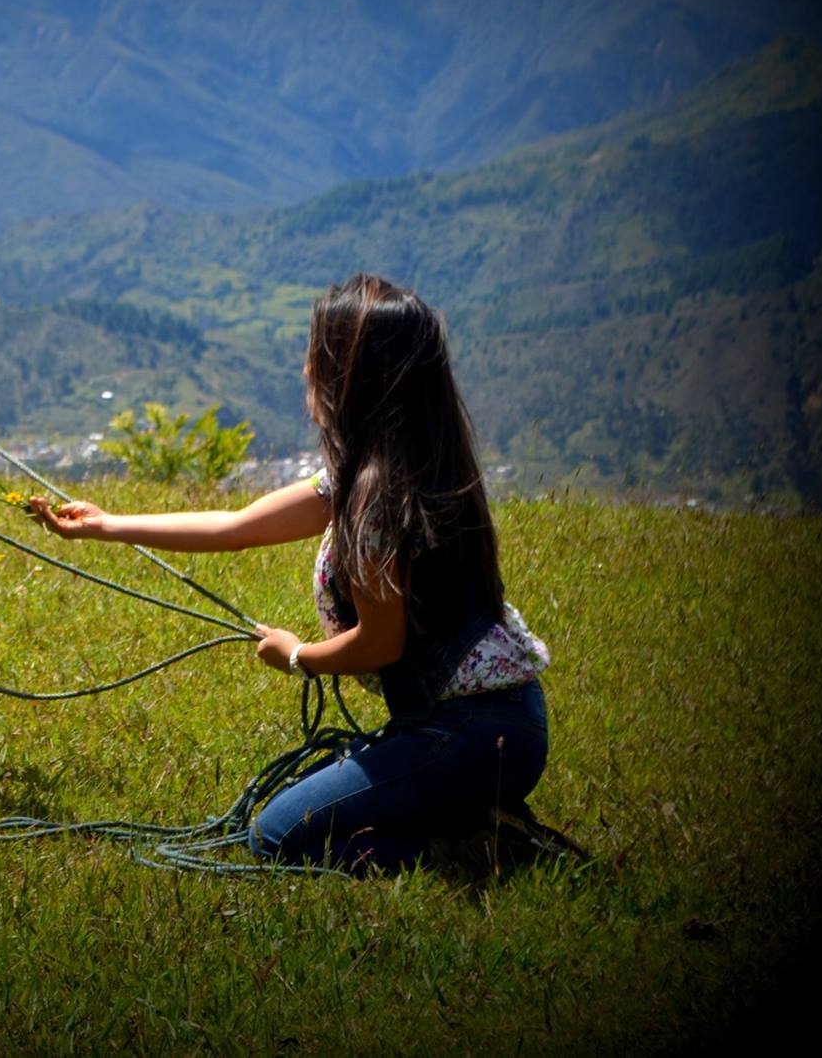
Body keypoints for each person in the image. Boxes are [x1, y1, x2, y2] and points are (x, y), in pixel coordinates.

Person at [30, 274, 560, 873]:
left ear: (348, 375)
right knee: (295, 823)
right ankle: (465, 821)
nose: (307, 370)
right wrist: (106, 524)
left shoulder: (376, 498)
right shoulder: (387, 468)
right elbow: (236, 527)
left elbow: (382, 643)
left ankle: (489, 851)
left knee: (278, 838)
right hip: (487, 729)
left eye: (317, 355)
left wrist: (297, 655)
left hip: (475, 736)